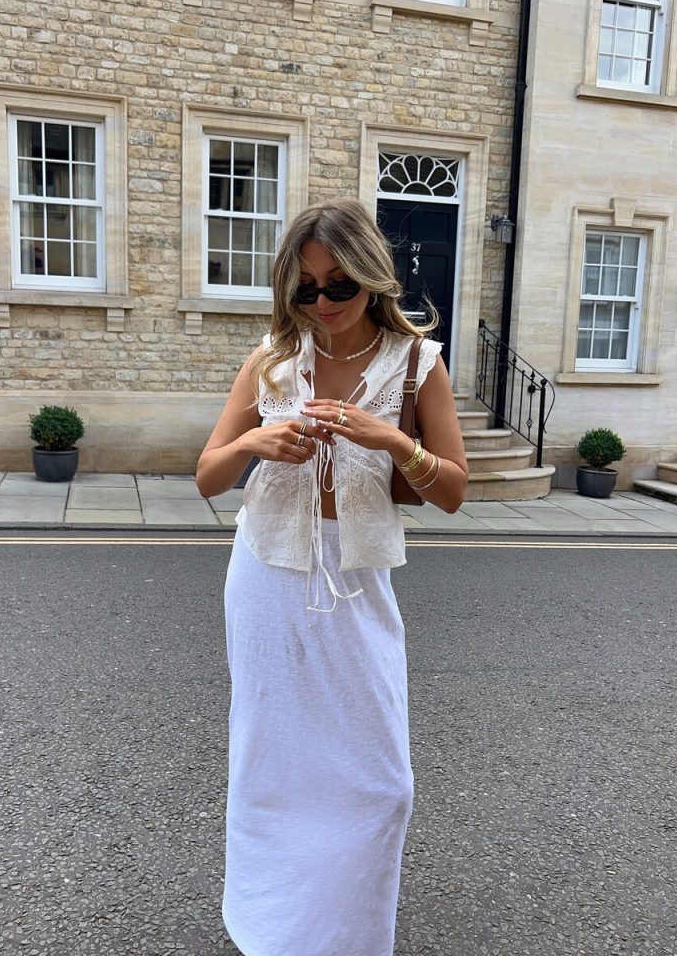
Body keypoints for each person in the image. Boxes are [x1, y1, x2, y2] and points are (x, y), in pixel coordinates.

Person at [196, 198, 468, 956]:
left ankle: (347, 936)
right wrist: (253, 443)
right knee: (271, 764)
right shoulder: (271, 359)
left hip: (355, 584)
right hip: (266, 574)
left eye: (339, 286)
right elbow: (207, 475)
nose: (322, 303)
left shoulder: (416, 364)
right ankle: (275, 929)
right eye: (305, 288)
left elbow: (452, 490)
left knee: (379, 784)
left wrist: (391, 439)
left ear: (372, 279)